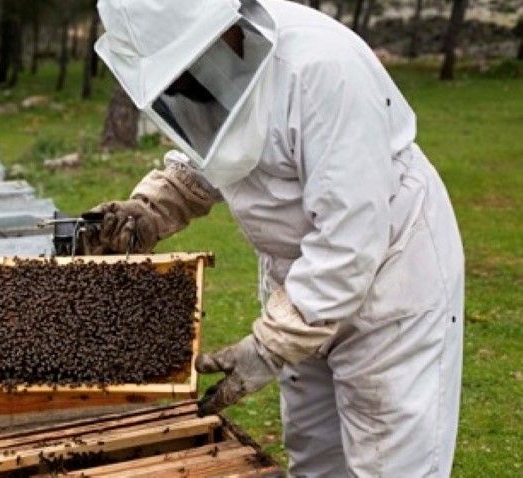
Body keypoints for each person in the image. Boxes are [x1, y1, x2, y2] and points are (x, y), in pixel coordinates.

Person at [86, 0, 465, 475]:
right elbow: (221, 149)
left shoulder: (322, 71)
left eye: (182, 67)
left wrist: (271, 345)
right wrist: (153, 208)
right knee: (315, 455)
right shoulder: (219, 65)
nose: (182, 84)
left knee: (390, 459)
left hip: (391, 274)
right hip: (300, 276)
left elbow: (350, 239)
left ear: (219, 29)